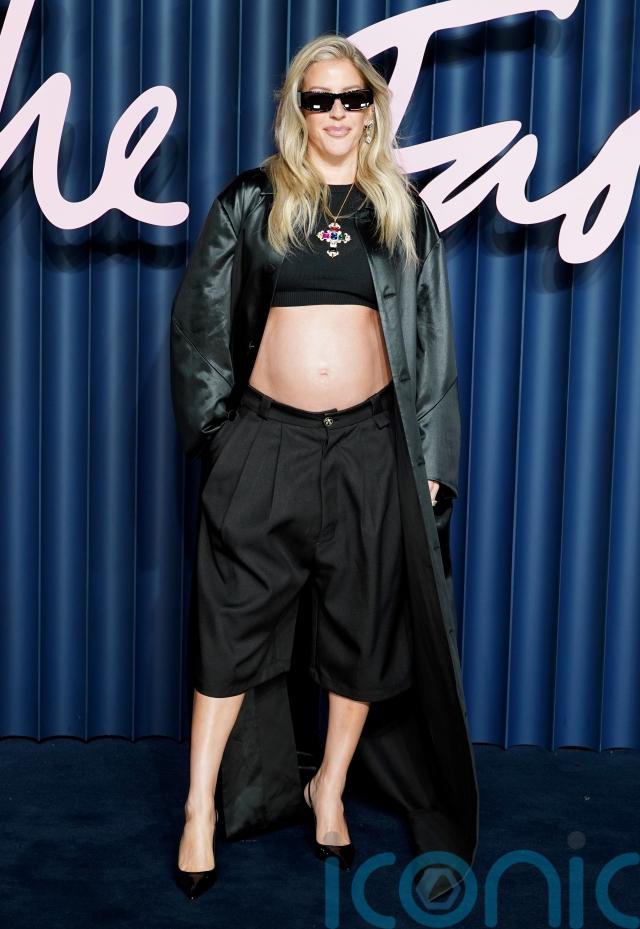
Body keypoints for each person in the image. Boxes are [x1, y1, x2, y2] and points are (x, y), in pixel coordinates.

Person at [170, 34, 478, 903]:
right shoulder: (253, 200)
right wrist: (221, 441)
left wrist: (431, 459)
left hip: (373, 446)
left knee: (362, 623)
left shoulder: (401, 211)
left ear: (372, 109)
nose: (337, 113)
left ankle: (329, 788)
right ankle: (199, 806)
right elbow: (200, 326)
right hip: (267, 441)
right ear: (296, 111)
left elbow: (434, 343)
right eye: (319, 99)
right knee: (231, 624)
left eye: (352, 98)